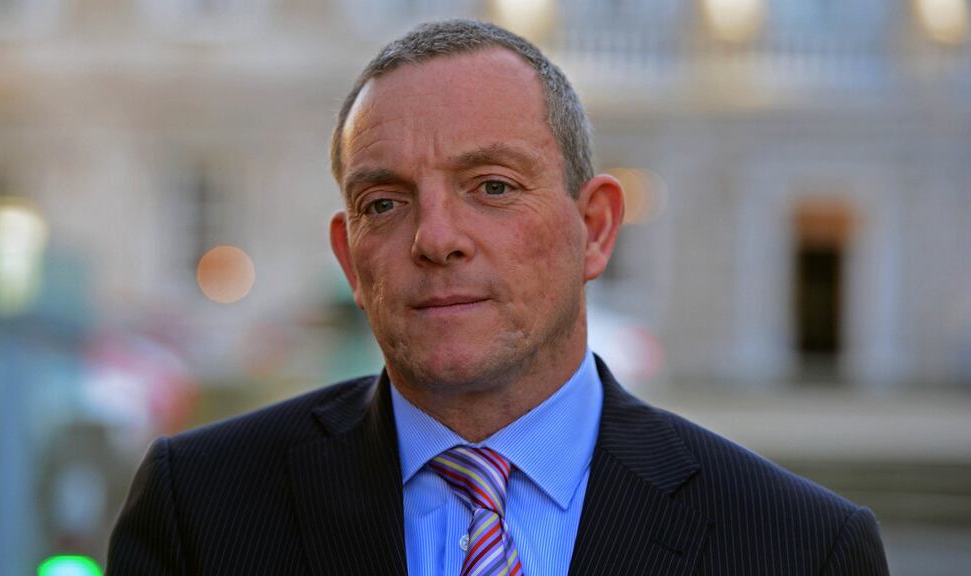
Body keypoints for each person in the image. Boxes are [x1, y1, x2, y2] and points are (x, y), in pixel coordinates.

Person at [107, 19, 889, 575]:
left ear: (596, 229)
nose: (436, 237)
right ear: (349, 259)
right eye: (385, 201)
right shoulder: (200, 507)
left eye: (492, 186)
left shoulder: (798, 548)